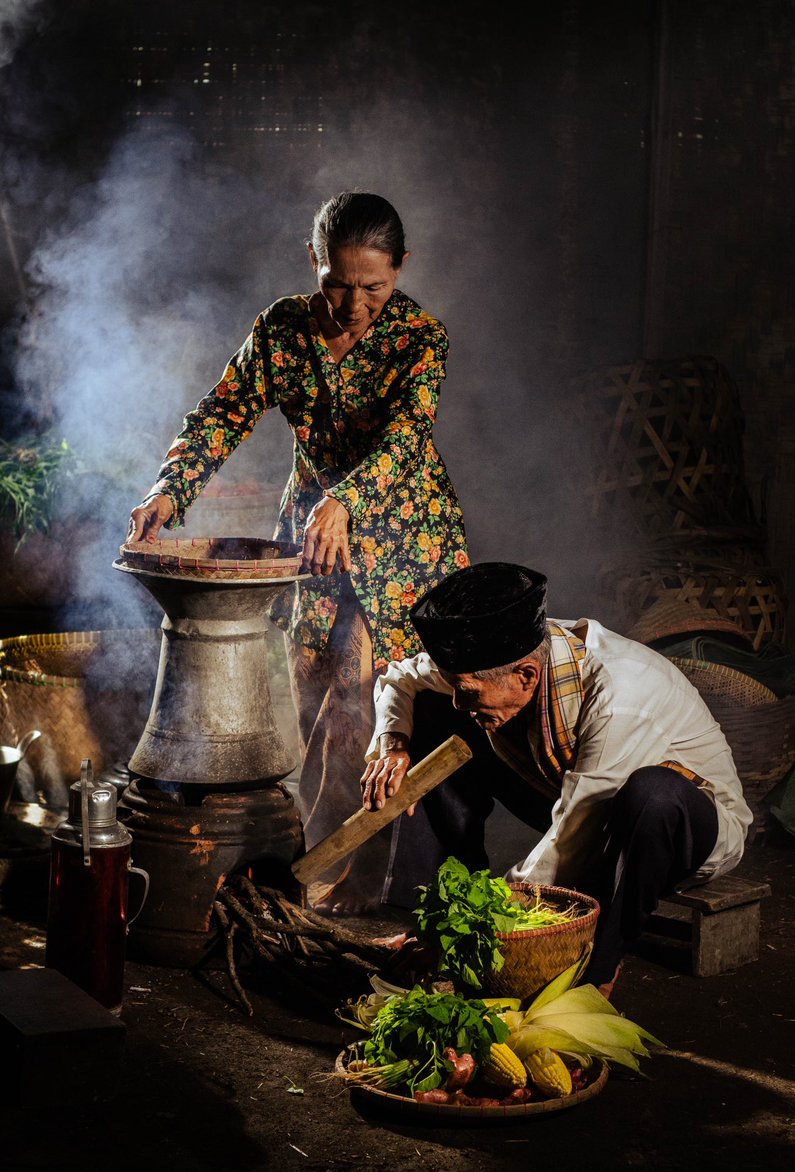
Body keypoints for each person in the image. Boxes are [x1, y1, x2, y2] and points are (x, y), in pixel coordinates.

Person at [127, 191, 470, 915]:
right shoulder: (280, 329)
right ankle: (305, 857)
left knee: (368, 703)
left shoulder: (420, 338)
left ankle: (352, 882)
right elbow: (223, 412)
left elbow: (406, 437)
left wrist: (344, 500)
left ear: (401, 269)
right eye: (336, 285)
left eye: (373, 287)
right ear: (312, 262)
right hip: (313, 540)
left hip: (402, 536)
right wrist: (169, 489)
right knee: (306, 693)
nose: (352, 305)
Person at [360, 561, 753, 996]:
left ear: (527, 675)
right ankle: (431, 911)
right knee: (434, 712)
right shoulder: (504, 655)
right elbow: (398, 678)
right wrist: (393, 742)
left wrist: (473, 929)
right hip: (576, 801)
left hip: (676, 829)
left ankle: (597, 968)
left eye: (468, 690)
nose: (461, 698)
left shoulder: (622, 695)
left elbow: (573, 834)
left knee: (652, 795)